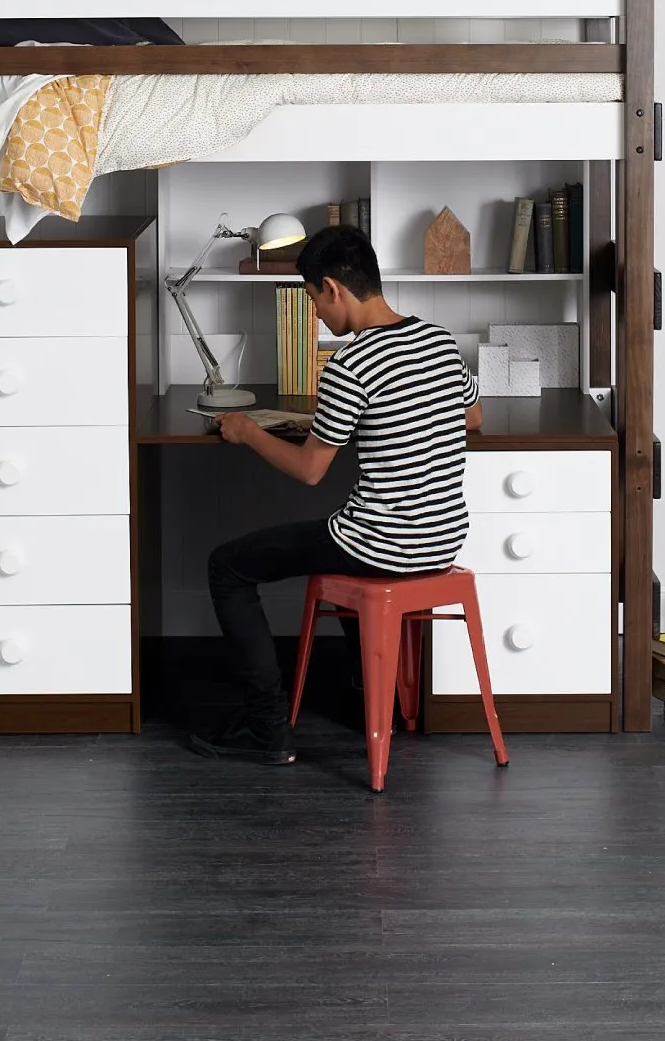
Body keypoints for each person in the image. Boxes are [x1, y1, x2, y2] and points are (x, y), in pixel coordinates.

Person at [189, 224, 482, 764]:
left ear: (332, 288)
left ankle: (266, 727)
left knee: (227, 566)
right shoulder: (440, 339)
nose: (318, 316)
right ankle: (363, 694)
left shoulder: (351, 365)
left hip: (383, 544)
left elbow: (309, 471)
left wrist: (248, 431)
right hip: (442, 539)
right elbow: (473, 414)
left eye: (314, 302)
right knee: (341, 531)